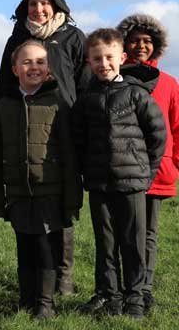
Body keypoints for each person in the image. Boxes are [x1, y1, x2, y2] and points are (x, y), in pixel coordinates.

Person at [0, 0, 91, 295]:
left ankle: (63, 277)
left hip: (65, 129)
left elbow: (85, 84)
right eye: (33, 4)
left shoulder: (74, 38)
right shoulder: (17, 39)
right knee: (29, 209)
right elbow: (4, 85)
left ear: (57, 6)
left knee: (61, 207)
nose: (38, 9)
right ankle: (34, 277)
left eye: (44, 3)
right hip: (27, 129)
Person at [72, 28, 166, 319]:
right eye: (97, 59)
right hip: (100, 184)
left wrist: (145, 174)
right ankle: (109, 295)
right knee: (106, 243)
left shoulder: (137, 94)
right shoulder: (87, 99)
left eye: (109, 57)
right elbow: (80, 141)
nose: (104, 64)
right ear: (89, 62)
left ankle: (135, 296)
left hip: (133, 184)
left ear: (122, 57)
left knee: (133, 243)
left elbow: (157, 136)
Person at [0, 41, 82, 320]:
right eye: (27, 62)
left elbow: (69, 154)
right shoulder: (3, 106)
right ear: (15, 69)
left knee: (44, 246)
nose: (34, 67)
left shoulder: (58, 103)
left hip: (49, 191)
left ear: (48, 68)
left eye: (40, 62)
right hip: (18, 192)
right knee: (25, 246)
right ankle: (26, 299)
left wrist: (71, 199)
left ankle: (45, 303)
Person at [116, 14, 178, 312]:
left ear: (157, 46)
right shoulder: (115, 81)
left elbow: (176, 127)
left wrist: (174, 163)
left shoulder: (169, 83)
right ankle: (121, 289)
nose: (141, 46)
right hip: (123, 167)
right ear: (125, 44)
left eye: (147, 41)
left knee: (149, 233)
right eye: (135, 40)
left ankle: (145, 288)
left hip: (159, 170)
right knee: (123, 232)